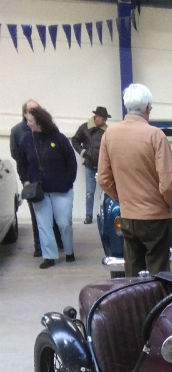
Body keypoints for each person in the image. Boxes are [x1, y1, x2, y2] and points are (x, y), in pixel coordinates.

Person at [97, 83, 172, 277]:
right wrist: (171, 205)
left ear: (126, 106)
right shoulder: (155, 136)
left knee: (132, 271)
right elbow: (168, 183)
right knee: (159, 273)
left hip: (128, 215)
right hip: (155, 217)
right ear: (148, 108)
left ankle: (134, 305)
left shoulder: (109, 135)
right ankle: (158, 306)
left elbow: (103, 178)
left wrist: (123, 199)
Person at [18, 105, 77, 269]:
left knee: (64, 223)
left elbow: (71, 162)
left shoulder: (59, 138)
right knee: (43, 225)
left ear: (39, 122)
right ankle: (49, 256)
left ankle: (69, 251)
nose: (27, 123)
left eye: (29, 121)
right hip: (39, 191)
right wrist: (25, 181)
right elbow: (21, 163)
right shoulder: (26, 140)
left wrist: (68, 181)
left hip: (62, 189)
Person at [10, 99, 62, 256]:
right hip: (31, 179)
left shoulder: (49, 129)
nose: (34, 113)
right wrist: (26, 177)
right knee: (36, 213)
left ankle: (57, 242)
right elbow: (16, 154)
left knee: (54, 212)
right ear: (24, 113)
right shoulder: (17, 131)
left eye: (37, 110)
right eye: (31, 110)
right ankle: (39, 247)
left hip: (51, 178)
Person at [71, 105, 111, 223]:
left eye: (105, 119)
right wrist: (83, 152)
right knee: (90, 192)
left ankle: (106, 216)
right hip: (90, 165)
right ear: (97, 117)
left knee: (107, 191)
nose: (104, 121)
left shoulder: (107, 131)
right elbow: (75, 140)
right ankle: (88, 216)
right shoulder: (84, 128)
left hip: (103, 166)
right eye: (103, 119)